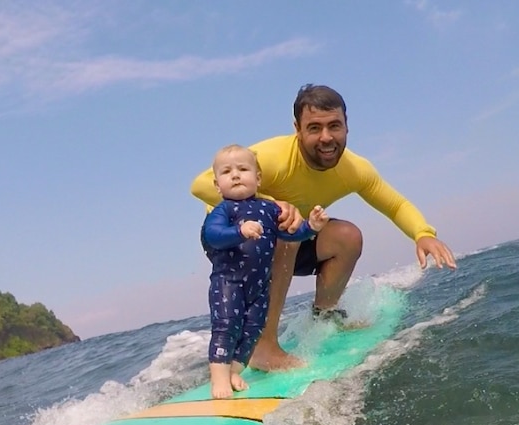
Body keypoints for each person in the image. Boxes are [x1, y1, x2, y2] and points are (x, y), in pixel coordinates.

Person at [191, 84, 457, 372]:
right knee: (287, 232)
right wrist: (271, 205)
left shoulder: (355, 169)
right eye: (314, 128)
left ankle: (325, 316)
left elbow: (394, 204)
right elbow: (201, 185)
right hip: (234, 239)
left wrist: (423, 234)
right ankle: (263, 347)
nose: (326, 137)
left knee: (347, 237)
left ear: (346, 126)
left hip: (291, 233)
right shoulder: (273, 156)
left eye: (334, 126)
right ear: (298, 129)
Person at [202, 144, 330, 399]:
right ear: (217, 186)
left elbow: (290, 234)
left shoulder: (269, 210)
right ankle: (219, 380)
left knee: (253, 329)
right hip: (229, 282)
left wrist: (312, 227)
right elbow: (212, 235)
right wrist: (239, 231)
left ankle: (235, 371)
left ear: (258, 178)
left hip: (260, 285)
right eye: (227, 172)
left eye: (242, 169)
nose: (236, 175)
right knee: (227, 326)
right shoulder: (224, 211)